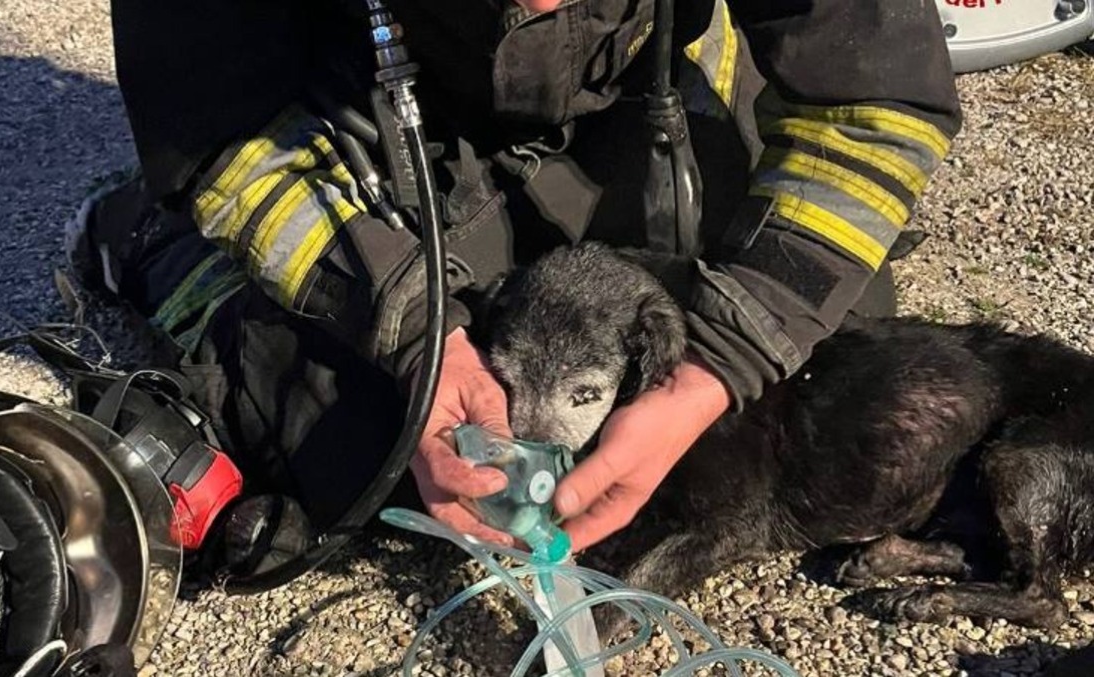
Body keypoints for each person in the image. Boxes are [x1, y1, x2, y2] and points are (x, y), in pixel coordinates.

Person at [66, 0, 962, 578]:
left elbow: (875, 102)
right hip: (364, 120)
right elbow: (222, 129)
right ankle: (153, 244)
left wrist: (730, 354)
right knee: (351, 451)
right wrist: (415, 333)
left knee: (835, 334)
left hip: (630, 94)